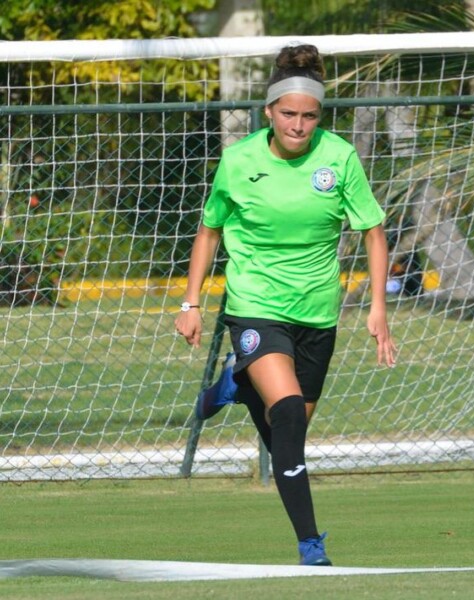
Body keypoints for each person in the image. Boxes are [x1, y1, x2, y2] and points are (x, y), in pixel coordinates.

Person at [175, 43, 396, 566]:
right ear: (270, 111)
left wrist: (378, 308)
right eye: (289, 114)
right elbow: (209, 231)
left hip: (317, 313)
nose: (298, 125)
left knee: (286, 433)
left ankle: (236, 382)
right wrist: (191, 302)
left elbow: (373, 231)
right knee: (290, 415)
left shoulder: (338, 158)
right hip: (255, 305)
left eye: (309, 116)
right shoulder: (240, 161)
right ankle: (311, 544)